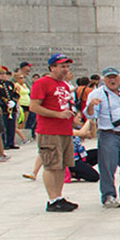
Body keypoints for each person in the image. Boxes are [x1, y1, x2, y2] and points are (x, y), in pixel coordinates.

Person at [29, 54, 82, 211]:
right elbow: (34, 106)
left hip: (65, 131)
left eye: (67, 66)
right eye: (62, 66)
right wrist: (57, 114)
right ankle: (52, 199)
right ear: (52, 68)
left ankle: (59, 196)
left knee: (62, 165)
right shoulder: (42, 83)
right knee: (51, 165)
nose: (65, 70)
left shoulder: (65, 85)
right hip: (49, 131)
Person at [84, 67, 120, 208]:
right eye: (109, 78)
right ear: (103, 79)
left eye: (114, 77)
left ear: (119, 78)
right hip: (109, 134)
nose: (112, 80)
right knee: (108, 166)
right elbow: (90, 115)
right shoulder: (97, 94)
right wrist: (91, 105)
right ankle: (108, 195)